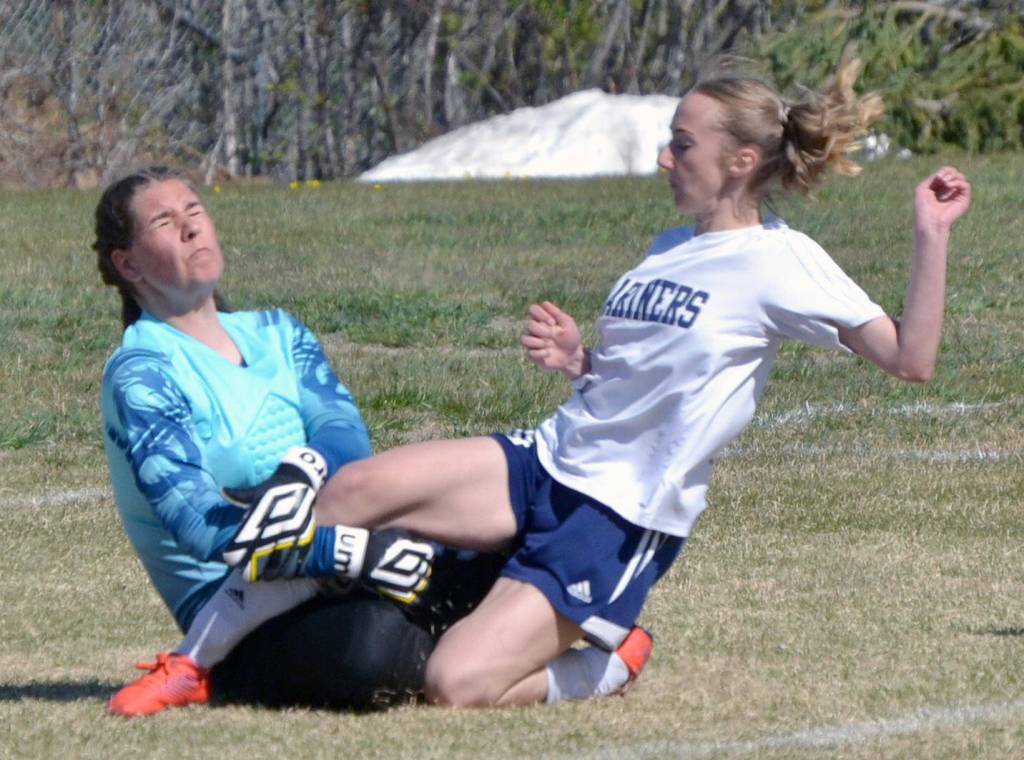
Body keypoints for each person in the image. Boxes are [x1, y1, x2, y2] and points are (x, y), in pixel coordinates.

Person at [225, 59, 972, 708]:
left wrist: (929, 236)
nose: (663, 158)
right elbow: (632, 379)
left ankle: (607, 661)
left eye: (682, 145)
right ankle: (221, 656)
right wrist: (580, 358)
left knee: (456, 684)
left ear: (741, 161)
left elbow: (912, 360)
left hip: (614, 517)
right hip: (546, 461)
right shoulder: (668, 246)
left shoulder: (781, 261)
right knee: (350, 491)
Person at [96, 166, 501, 716]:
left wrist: (306, 467)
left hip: (343, 564)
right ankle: (201, 667)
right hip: (236, 609)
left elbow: (347, 442)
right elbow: (201, 527)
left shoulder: (278, 332)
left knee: (498, 529)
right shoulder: (141, 372)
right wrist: (348, 551)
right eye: (166, 222)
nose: (192, 229)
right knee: (369, 646)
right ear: (128, 264)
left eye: (195, 212)